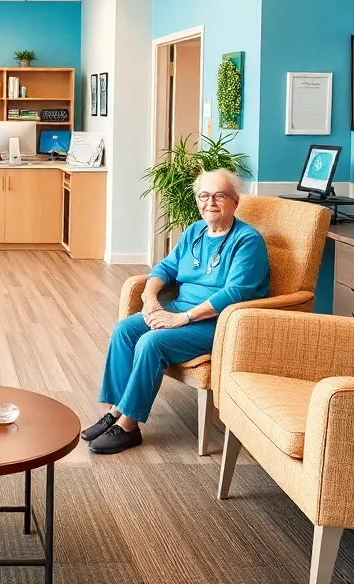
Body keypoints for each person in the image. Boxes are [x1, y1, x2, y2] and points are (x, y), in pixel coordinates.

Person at [84, 168, 270, 455]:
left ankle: (129, 427)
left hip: (218, 323)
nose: (210, 202)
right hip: (179, 310)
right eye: (204, 195)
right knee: (125, 330)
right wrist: (150, 297)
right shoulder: (195, 231)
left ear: (235, 201)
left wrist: (182, 318)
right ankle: (116, 410)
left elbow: (236, 292)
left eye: (219, 195)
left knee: (152, 342)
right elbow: (166, 268)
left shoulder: (247, 241)